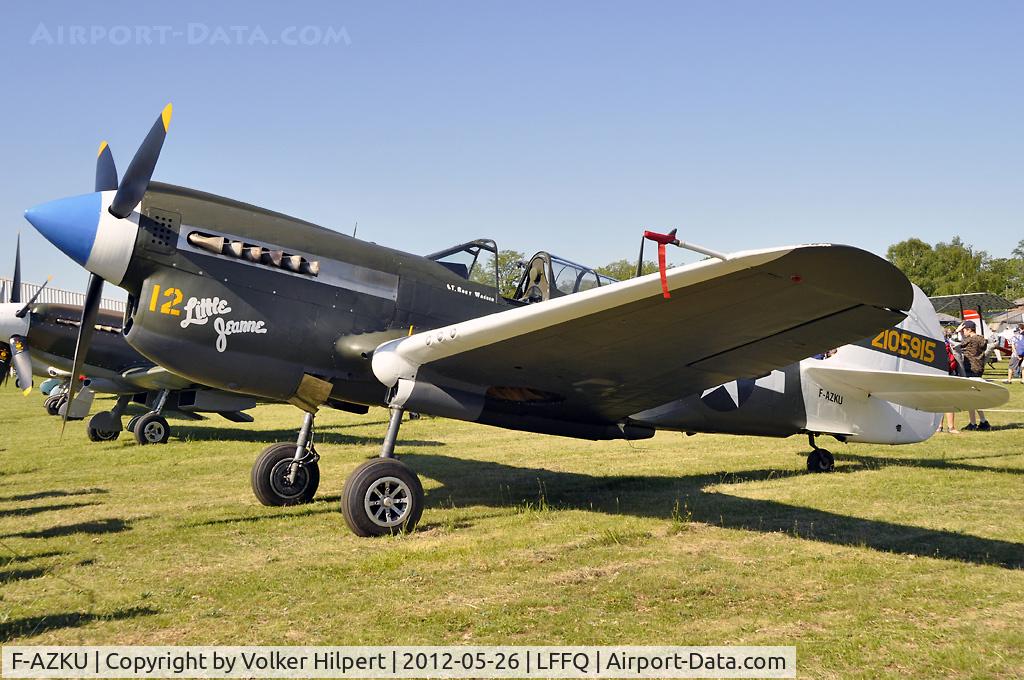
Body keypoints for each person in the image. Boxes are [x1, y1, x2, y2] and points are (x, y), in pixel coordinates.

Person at [959, 320, 991, 431]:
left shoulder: (971, 340)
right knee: (972, 397)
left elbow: (956, 344)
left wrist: (957, 332)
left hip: (971, 369)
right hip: (977, 369)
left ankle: (982, 422)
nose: (963, 332)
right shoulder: (980, 339)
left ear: (969, 330)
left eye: (964, 330)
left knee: (972, 397)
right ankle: (976, 422)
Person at [938, 327, 960, 434]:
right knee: (948, 401)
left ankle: (939, 426)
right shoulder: (948, 344)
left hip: (938, 374)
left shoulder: (937, 345)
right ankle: (951, 427)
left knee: (939, 402)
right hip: (948, 373)